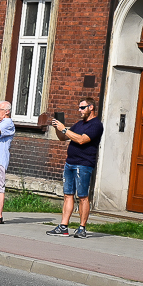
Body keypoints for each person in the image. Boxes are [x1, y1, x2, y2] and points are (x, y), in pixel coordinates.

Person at [48, 97, 104, 238]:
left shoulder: (96, 125)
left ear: (91, 107)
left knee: (83, 197)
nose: (79, 110)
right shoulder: (79, 124)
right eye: (79, 107)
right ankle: (63, 226)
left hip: (83, 165)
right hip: (70, 163)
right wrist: (58, 129)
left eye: (82, 107)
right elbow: (63, 137)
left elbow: (81, 140)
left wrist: (64, 129)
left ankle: (82, 228)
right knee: (68, 195)